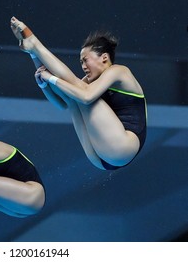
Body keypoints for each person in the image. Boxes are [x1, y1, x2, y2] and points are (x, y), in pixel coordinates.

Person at [10, 16, 147, 170]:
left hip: (123, 146)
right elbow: (62, 103)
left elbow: (86, 97)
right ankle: (33, 51)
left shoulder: (119, 71)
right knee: (73, 96)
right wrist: (44, 83)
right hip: (101, 158)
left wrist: (52, 78)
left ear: (104, 58)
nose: (83, 66)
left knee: (78, 90)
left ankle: (34, 43)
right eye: (81, 62)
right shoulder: (87, 84)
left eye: (85, 60)